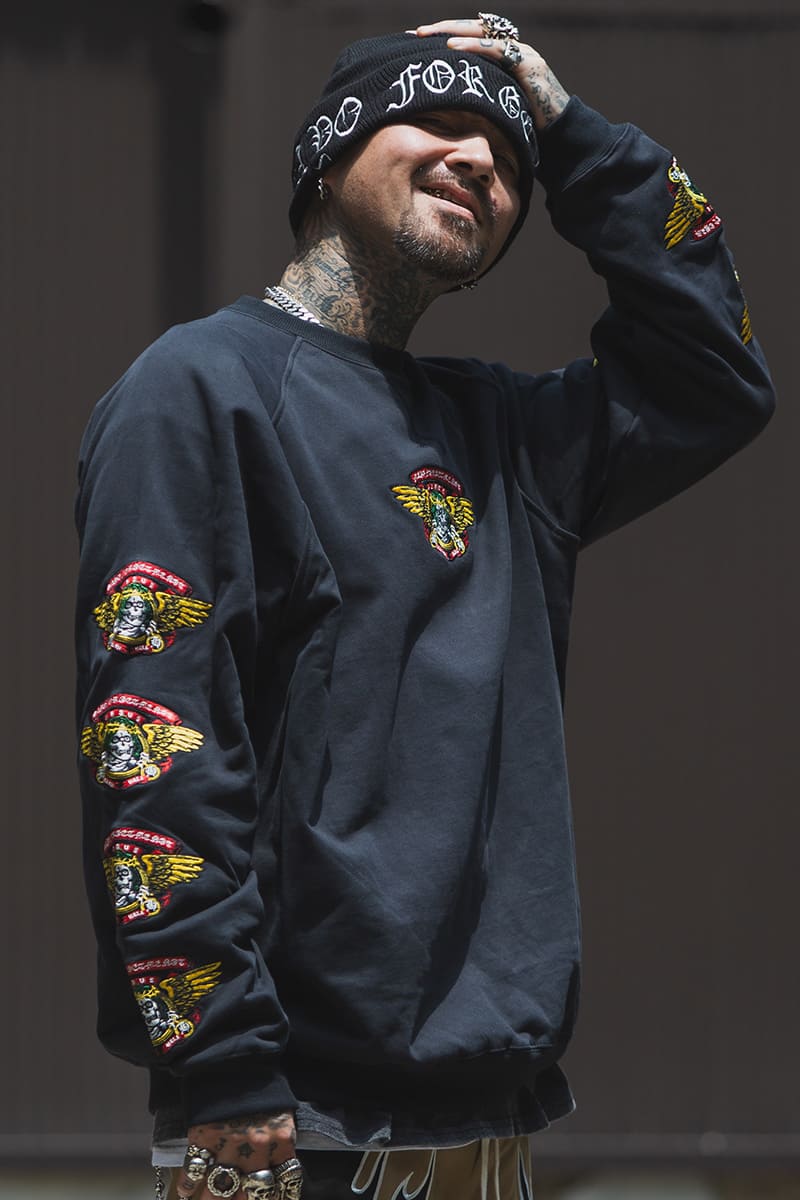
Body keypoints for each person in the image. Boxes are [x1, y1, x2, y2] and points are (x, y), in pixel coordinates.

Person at [75, 14, 775, 1200]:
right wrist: (225, 1069)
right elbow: (154, 740)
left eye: (508, 154)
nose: (481, 160)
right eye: (437, 120)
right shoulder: (200, 390)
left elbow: (715, 376)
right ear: (329, 153)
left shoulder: (501, 439)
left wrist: (577, 139)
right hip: (287, 1122)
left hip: (488, 1114)